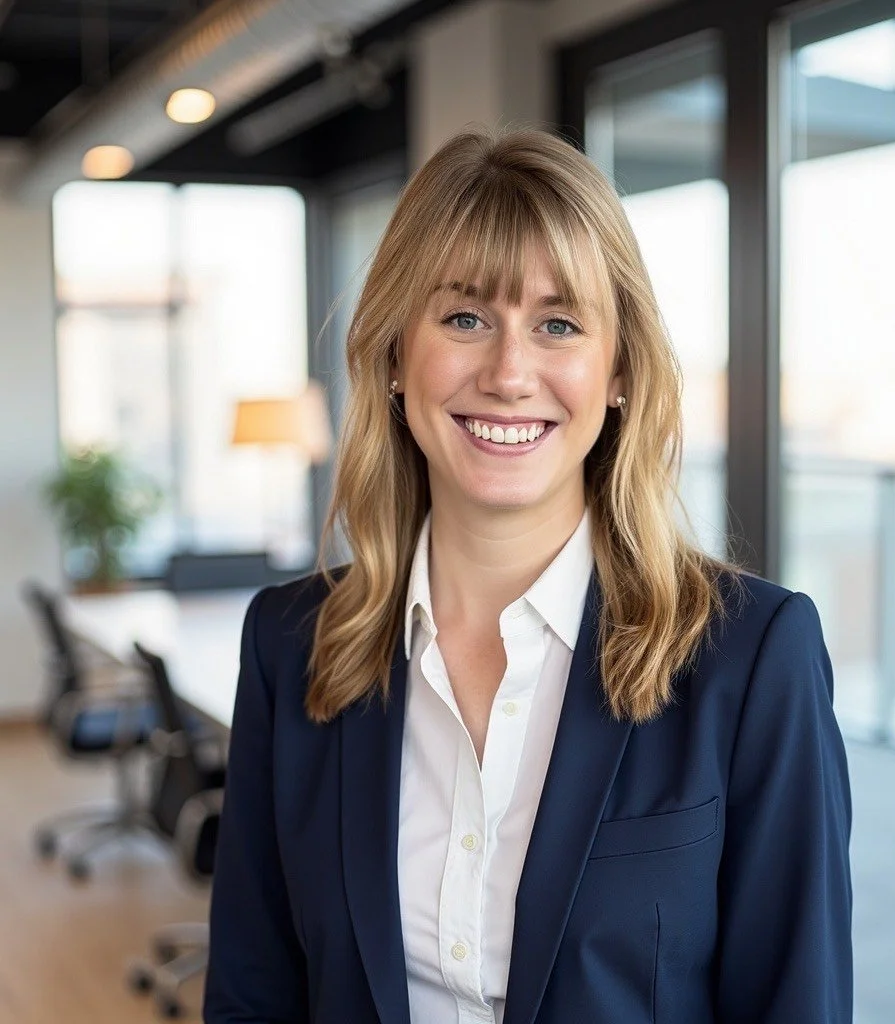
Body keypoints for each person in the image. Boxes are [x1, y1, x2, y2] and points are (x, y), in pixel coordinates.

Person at [203, 127, 853, 1024]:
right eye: (464, 317)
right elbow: (252, 991)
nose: (510, 374)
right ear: (396, 355)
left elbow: (797, 1003)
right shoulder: (290, 643)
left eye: (558, 324)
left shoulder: (750, 658)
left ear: (620, 370)